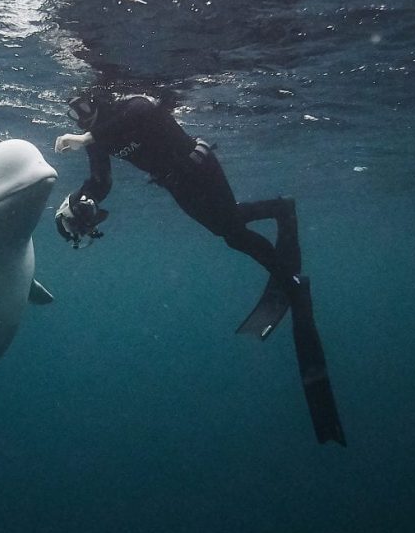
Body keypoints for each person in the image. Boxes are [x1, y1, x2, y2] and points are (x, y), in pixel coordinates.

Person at [51, 83, 345, 445]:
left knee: (234, 233)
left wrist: (83, 138)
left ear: (96, 99)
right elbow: (101, 181)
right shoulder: (98, 137)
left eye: (81, 107)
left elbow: (143, 112)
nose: (79, 118)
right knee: (228, 227)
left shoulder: (130, 106)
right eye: (73, 114)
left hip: (200, 166)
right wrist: (81, 200)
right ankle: (280, 207)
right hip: (176, 183)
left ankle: (289, 283)